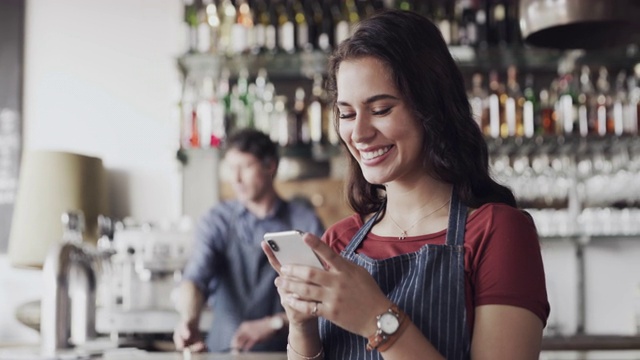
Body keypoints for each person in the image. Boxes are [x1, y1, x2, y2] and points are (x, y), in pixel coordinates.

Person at [262, 9, 550, 360]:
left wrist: (376, 319)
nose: (360, 133)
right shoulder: (338, 241)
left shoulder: (497, 232)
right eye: (347, 114)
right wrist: (302, 325)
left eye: (381, 109)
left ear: (433, 108)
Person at [173, 129, 325, 353]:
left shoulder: (305, 223)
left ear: (270, 166)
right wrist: (189, 321)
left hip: (285, 354)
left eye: (244, 167)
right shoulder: (218, 220)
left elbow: (321, 297)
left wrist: (274, 323)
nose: (235, 178)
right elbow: (195, 279)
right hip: (223, 352)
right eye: (231, 168)